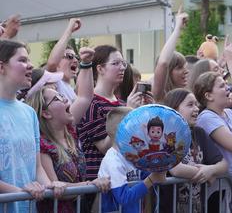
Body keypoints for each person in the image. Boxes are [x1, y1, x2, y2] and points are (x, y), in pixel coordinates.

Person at [26, 47, 110, 212]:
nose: (64, 96)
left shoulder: (69, 131)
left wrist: (86, 64)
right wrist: (90, 184)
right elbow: (54, 187)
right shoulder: (42, 144)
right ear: (45, 112)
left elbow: (85, 97)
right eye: (56, 94)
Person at [0, 39, 65, 212]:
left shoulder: (29, 113)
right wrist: (20, 192)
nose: (30, 65)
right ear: (1, 67)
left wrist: (49, 185)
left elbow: (36, 168)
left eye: (29, 60)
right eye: (22, 60)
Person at [76, 45, 142, 205]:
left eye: (123, 63)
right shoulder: (91, 103)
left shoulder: (120, 103)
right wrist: (130, 113)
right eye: (116, 63)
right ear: (100, 68)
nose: (122, 68)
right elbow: (105, 147)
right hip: (100, 185)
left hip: (124, 180)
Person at [162, 88, 228, 212]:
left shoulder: (199, 133)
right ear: (175, 109)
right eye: (190, 105)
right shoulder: (166, 135)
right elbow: (176, 169)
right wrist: (205, 175)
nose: (197, 109)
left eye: (196, 105)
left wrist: (211, 170)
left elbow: (224, 164)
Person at [98, 107, 166, 213]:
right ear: (123, 132)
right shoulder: (113, 160)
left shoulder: (132, 156)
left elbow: (148, 177)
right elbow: (123, 198)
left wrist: (160, 168)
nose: (142, 134)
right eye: (136, 129)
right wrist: (152, 179)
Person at [188, 35, 232, 108]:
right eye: (216, 69)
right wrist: (230, 61)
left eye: (220, 67)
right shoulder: (208, 104)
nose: (222, 70)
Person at [152, 6, 189, 102]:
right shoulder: (161, 97)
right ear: (167, 72)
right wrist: (177, 28)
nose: (186, 71)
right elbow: (163, 63)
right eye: (180, 67)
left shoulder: (186, 96)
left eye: (185, 67)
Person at [46, 18, 81, 103]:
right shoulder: (55, 82)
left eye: (76, 57)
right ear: (58, 63)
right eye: (70, 56)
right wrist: (70, 29)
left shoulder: (72, 89)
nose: (75, 60)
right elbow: (52, 63)